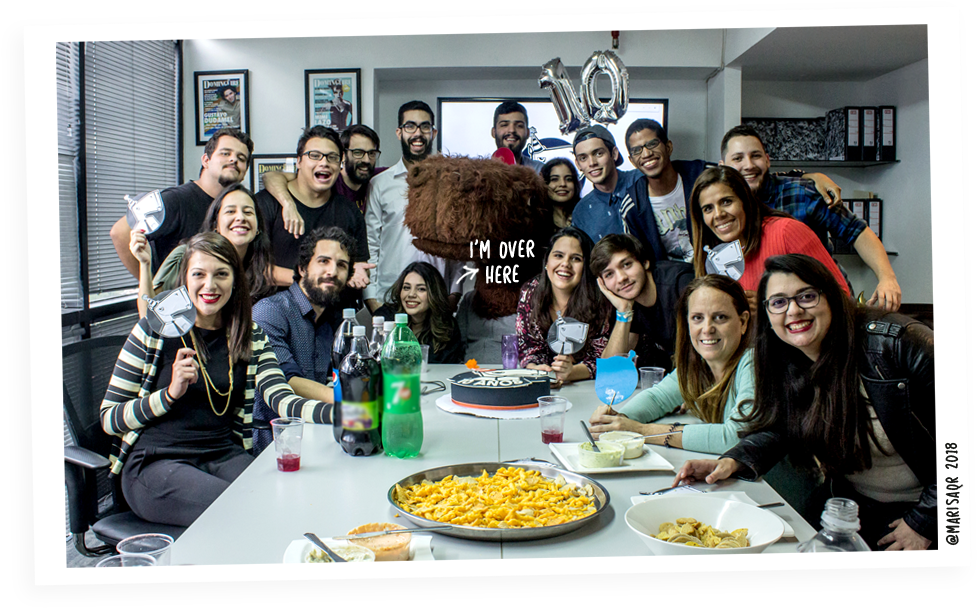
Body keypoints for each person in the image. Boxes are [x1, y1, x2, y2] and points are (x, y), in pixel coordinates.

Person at [673, 254, 936, 551]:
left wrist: (925, 522)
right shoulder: (786, 357)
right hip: (853, 506)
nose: (794, 311)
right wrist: (732, 461)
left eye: (807, 296)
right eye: (778, 302)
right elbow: (781, 427)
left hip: (927, 509)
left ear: (831, 296)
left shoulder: (897, 343)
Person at [100, 232, 333, 527]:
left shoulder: (250, 335)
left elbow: (282, 398)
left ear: (235, 280)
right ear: (185, 279)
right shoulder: (153, 331)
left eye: (221, 274)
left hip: (222, 453)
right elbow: (109, 419)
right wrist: (168, 394)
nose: (209, 285)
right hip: (157, 462)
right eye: (199, 274)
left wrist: (347, 414)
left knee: (283, 499)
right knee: (241, 512)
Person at [720, 124, 902, 310]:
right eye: (738, 158)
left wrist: (887, 278)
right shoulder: (721, 210)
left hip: (823, 302)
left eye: (755, 156)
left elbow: (857, 231)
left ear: (767, 160)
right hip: (764, 310)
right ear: (723, 167)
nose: (749, 165)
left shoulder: (802, 193)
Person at [588, 274, 754, 454]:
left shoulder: (754, 364)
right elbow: (658, 399)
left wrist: (640, 430)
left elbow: (735, 437)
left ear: (743, 322)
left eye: (720, 317)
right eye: (697, 318)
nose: (707, 329)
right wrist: (618, 420)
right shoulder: (698, 364)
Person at [688, 165, 850, 314]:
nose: (718, 214)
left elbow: (841, 296)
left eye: (726, 202)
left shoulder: (786, 232)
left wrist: (773, 308)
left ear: (745, 201)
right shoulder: (712, 257)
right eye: (708, 209)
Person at [251, 226, 355, 454]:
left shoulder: (332, 321)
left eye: (341, 265)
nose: (332, 271)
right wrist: (351, 401)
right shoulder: (270, 311)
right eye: (323, 261)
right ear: (302, 268)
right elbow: (286, 380)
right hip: (272, 444)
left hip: (318, 433)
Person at [110, 128, 253, 278]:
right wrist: (151, 286)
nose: (234, 160)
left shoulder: (236, 208)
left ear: (244, 172)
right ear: (206, 160)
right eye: (225, 153)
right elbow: (120, 232)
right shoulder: (175, 199)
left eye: (241, 158)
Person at [364, 100, 463, 314]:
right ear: (399, 132)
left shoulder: (451, 184)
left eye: (424, 126)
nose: (418, 133)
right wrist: (371, 299)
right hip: (389, 298)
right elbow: (370, 244)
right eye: (410, 126)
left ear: (433, 133)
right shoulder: (380, 184)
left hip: (437, 299)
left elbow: (459, 245)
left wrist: (454, 293)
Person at [254, 125, 372, 297]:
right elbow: (254, 269)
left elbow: (359, 266)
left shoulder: (350, 212)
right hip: (275, 308)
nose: (324, 163)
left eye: (332, 157)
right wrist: (310, 278)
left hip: (333, 311)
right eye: (314, 156)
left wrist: (358, 273)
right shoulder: (265, 204)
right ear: (299, 161)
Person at [130, 183, 277, 318]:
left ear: (258, 226)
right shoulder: (186, 256)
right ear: (216, 224)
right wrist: (145, 265)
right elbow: (148, 316)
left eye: (248, 212)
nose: (240, 217)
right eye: (230, 211)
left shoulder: (258, 267)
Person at [516, 226, 611, 384]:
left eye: (576, 259)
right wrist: (536, 368)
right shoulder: (530, 291)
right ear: (547, 261)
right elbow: (528, 347)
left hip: (590, 385)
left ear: (586, 267)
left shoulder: (600, 297)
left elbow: (604, 359)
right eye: (558, 255)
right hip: (545, 384)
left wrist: (572, 372)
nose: (565, 264)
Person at [592, 233, 694, 372]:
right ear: (603, 284)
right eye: (609, 274)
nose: (621, 278)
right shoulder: (629, 301)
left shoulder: (681, 283)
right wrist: (624, 311)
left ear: (645, 262)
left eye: (626, 265)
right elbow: (610, 368)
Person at [262, 124, 387, 219]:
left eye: (372, 153)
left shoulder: (377, 177)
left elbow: (398, 173)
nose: (366, 160)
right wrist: (287, 203)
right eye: (358, 153)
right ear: (343, 156)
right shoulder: (328, 179)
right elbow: (271, 176)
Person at [374, 261, 465, 364]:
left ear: (434, 294)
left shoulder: (447, 327)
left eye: (421, 289)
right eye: (406, 288)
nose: (411, 294)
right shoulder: (386, 317)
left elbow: (447, 369)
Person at [569, 124, 642, 245]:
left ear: (614, 153)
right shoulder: (581, 212)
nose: (592, 163)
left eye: (598, 153)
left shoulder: (641, 180)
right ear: (578, 164)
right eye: (583, 158)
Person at [491, 100, 544, 172]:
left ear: (528, 133)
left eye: (519, 126)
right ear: (493, 132)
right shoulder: (480, 172)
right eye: (504, 125)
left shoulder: (540, 171)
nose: (512, 130)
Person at [542, 157, 581, 229]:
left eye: (568, 179)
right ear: (544, 183)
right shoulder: (536, 218)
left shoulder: (586, 212)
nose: (563, 184)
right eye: (554, 179)